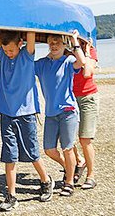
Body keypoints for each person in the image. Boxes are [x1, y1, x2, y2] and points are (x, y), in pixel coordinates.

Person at [0, 30, 54, 211]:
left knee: (32, 151)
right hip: (6, 112)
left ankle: (46, 180)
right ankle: (11, 195)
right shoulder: (2, 57)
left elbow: (30, 32)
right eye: (6, 50)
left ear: (20, 44)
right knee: (9, 155)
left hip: (26, 112)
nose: (8, 53)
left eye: (11, 50)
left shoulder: (27, 55)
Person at [34, 30, 86, 197]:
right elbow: (25, 64)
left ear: (64, 45)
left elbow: (82, 61)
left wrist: (74, 40)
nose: (54, 45)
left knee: (67, 148)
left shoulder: (68, 60)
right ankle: (69, 168)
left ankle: (69, 182)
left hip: (68, 111)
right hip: (50, 113)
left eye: (58, 42)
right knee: (49, 149)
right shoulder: (42, 64)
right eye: (51, 42)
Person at [72, 38, 100, 189]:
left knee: (85, 139)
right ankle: (79, 160)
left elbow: (87, 73)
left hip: (88, 98)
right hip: (70, 98)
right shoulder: (67, 51)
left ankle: (91, 175)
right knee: (67, 138)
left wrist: (87, 52)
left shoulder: (91, 51)